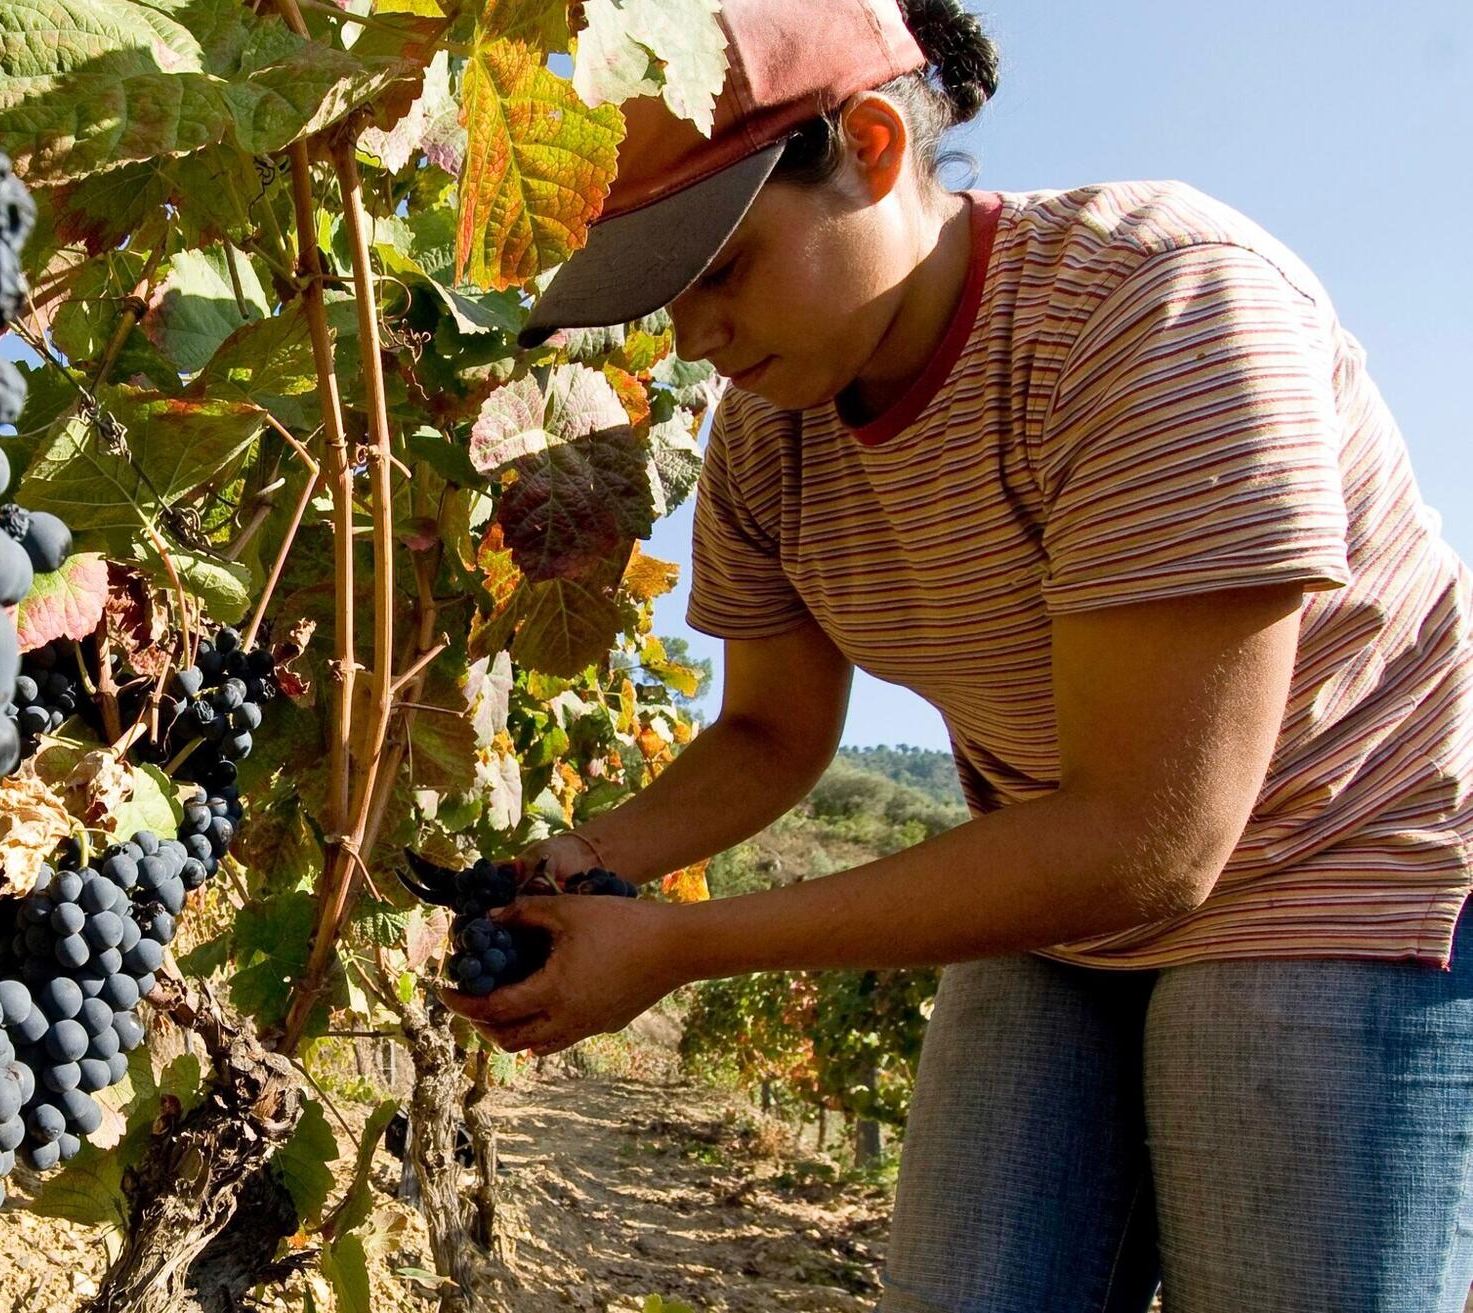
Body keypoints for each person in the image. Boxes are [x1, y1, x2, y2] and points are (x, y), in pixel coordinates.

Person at [441, 0, 1473, 1308]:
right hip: (1056, 882)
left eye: (724, 268)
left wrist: (683, 946)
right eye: (666, 294)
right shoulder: (769, 435)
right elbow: (769, 734)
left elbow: (1151, 841)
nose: (694, 337)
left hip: (1330, 862)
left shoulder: (1157, 307)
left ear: (873, 148)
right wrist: (587, 859)